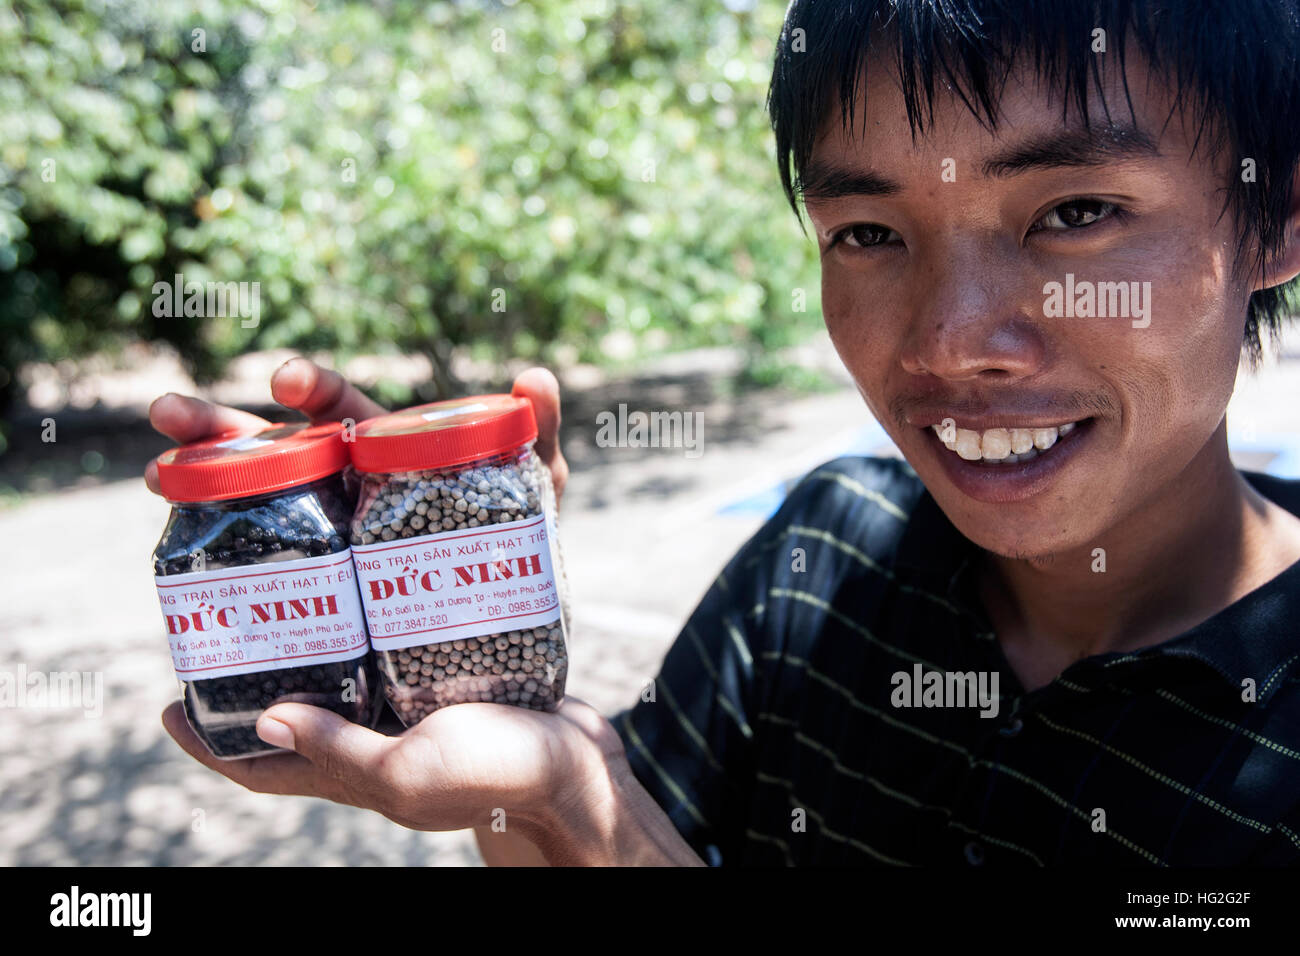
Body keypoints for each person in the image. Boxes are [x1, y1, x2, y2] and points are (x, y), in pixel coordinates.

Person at [146, 0, 1300, 864]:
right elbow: (634, 835)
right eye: (865, 232)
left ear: (1275, 220)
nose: (948, 342)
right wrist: (533, 762)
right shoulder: (819, 558)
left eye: (1075, 212)